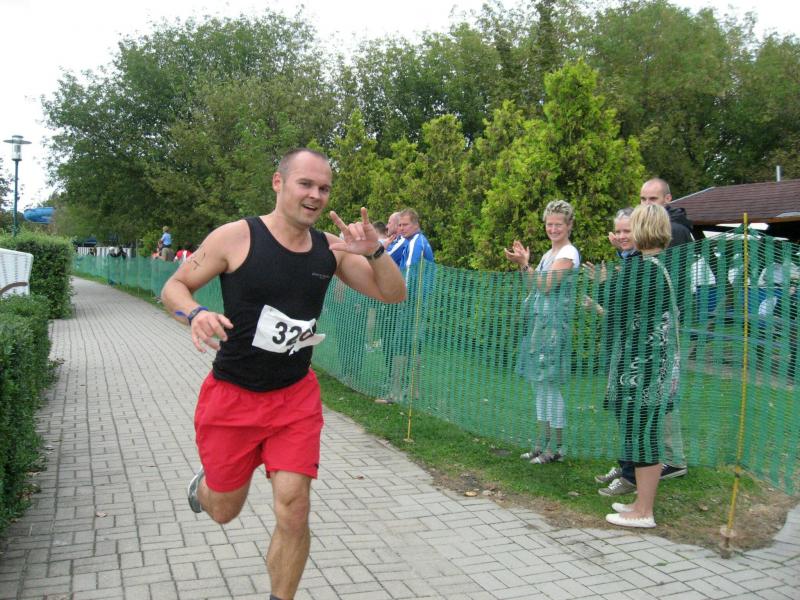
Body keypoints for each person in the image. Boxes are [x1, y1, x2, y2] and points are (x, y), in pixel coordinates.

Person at [160, 148, 406, 600]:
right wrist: (194, 313)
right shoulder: (236, 237)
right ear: (278, 183)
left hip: (294, 398)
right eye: (305, 184)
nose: (315, 195)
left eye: (324, 188)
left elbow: (393, 294)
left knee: (294, 508)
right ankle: (205, 488)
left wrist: (375, 251)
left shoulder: (330, 250)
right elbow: (174, 286)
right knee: (224, 510)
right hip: (232, 397)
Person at [598, 203, 681, 528]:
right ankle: (640, 502)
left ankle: (644, 511)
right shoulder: (662, 264)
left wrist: (604, 284)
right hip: (655, 365)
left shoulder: (643, 270)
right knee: (644, 433)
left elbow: (613, 306)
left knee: (643, 435)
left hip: (641, 369)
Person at [505, 200, 580, 464]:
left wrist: (526, 265)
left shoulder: (568, 253)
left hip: (555, 328)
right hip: (540, 326)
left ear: (569, 225)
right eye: (549, 224)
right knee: (539, 386)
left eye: (559, 224)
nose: (553, 229)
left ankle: (556, 447)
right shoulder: (550, 253)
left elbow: (546, 286)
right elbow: (533, 286)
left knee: (550, 387)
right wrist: (524, 264)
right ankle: (541, 442)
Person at [376, 208, 435, 404]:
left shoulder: (416, 242)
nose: (401, 228)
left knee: (400, 343)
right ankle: (413, 389)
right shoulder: (412, 241)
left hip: (411, 302)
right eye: (399, 225)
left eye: (405, 225)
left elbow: (409, 269)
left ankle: (395, 392)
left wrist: (402, 295)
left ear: (416, 225)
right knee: (413, 344)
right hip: (418, 301)